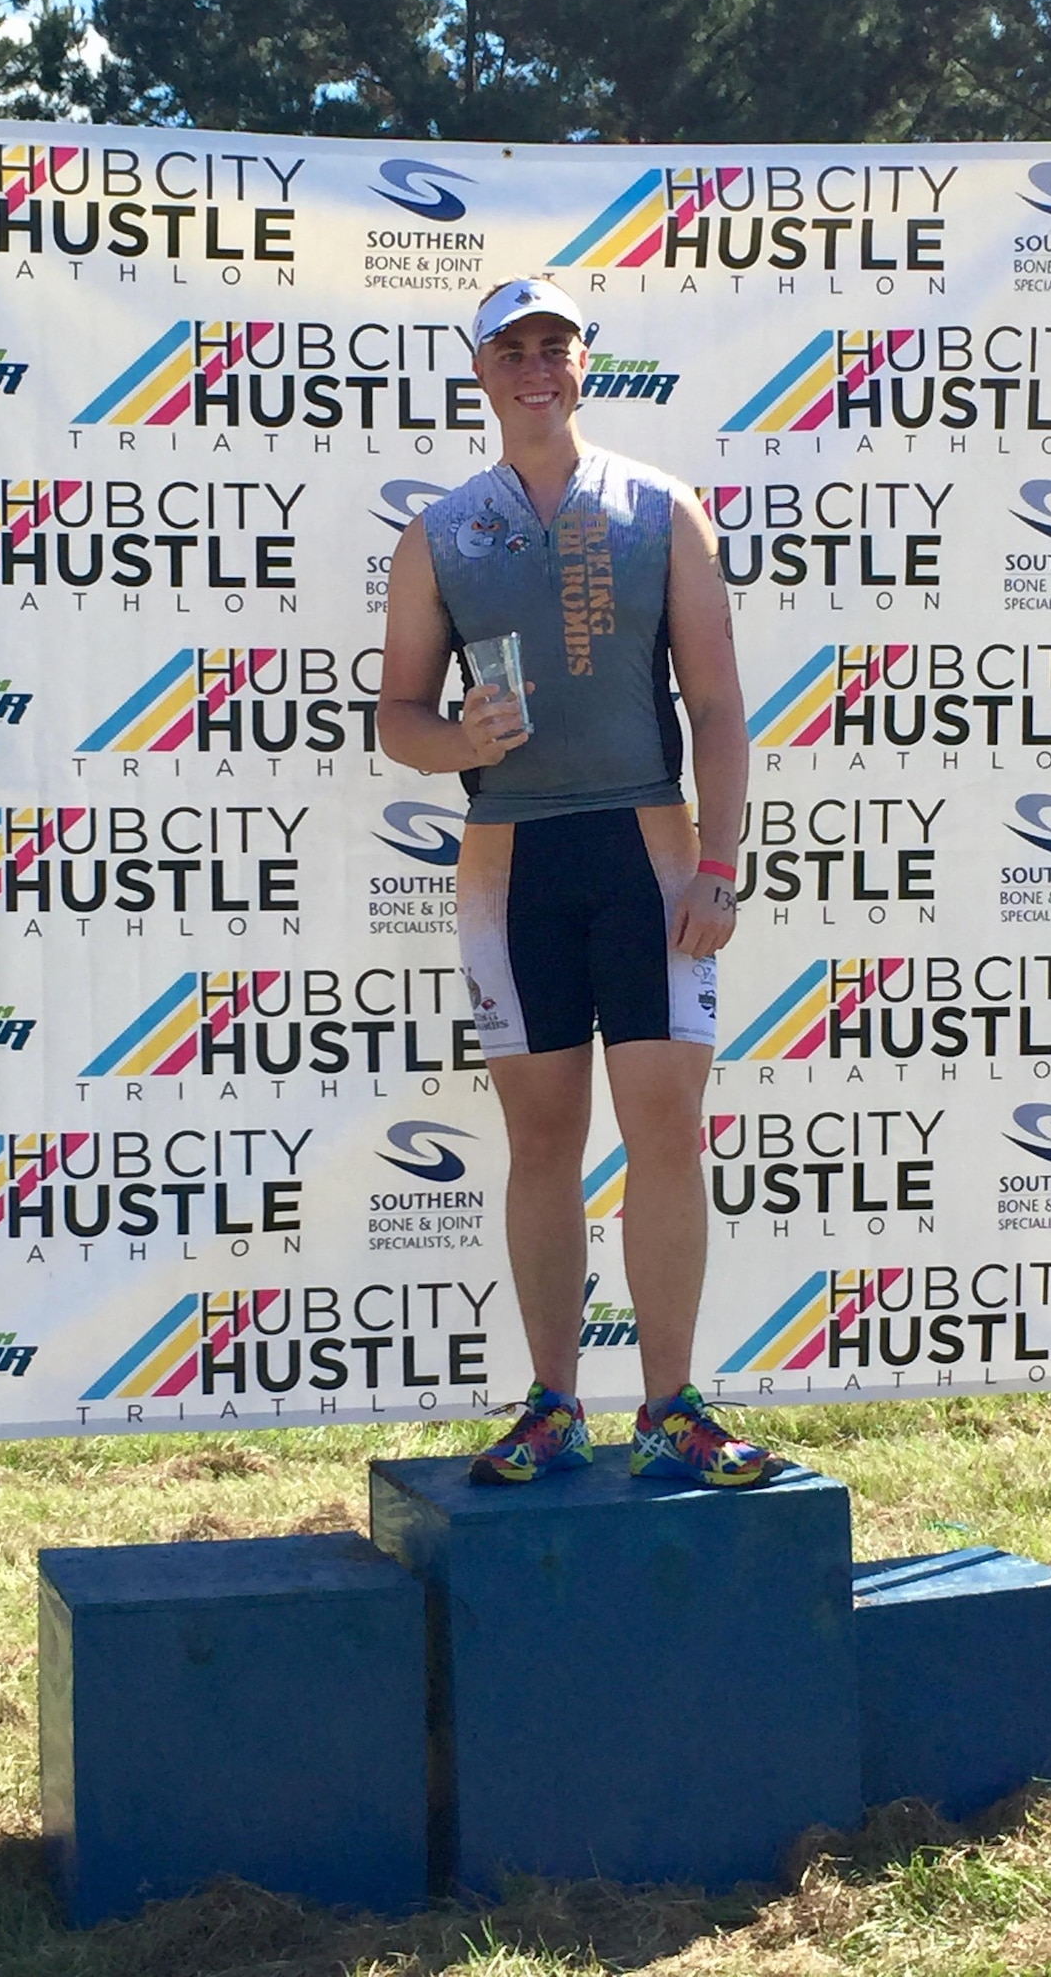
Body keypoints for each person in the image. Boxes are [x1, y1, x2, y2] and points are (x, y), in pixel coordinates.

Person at [379, 277, 782, 1490]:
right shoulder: (440, 532)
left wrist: (719, 862)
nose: (535, 367)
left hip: (647, 851)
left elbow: (716, 703)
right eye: (512, 350)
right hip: (509, 862)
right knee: (542, 1137)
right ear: (482, 373)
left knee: (664, 1124)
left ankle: (671, 1404)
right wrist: (462, 741)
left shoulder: (662, 508)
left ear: (583, 364)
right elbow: (397, 715)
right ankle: (551, 1401)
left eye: (555, 345)